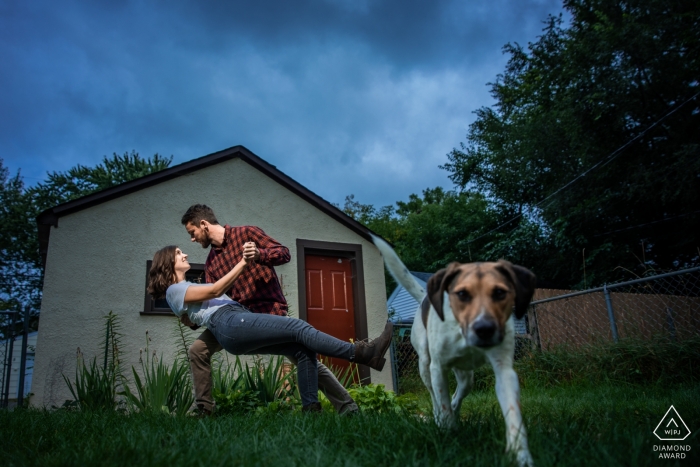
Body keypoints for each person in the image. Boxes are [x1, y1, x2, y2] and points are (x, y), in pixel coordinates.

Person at [147, 245, 393, 412]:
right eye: (179, 254)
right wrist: (244, 262)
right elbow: (215, 291)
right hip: (230, 322)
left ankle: (312, 411)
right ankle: (360, 352)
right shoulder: (174, 290)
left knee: (300, 349)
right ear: (168, 262)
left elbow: (193, 316)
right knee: (298, 327)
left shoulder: (183, 290)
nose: (185, 255)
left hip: (234, 322)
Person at [181, 204, 360, 416]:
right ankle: (205, 409)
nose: (192, 239)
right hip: (235, 319)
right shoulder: (211, 263)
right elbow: (215, 301)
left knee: (302, 353)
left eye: (192, 233)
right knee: (197, 350)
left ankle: (346, 407)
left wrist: (259, 254)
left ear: (203, 224)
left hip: (267, 312)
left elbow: (284, 253)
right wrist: (193, 320)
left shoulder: (247, 233)